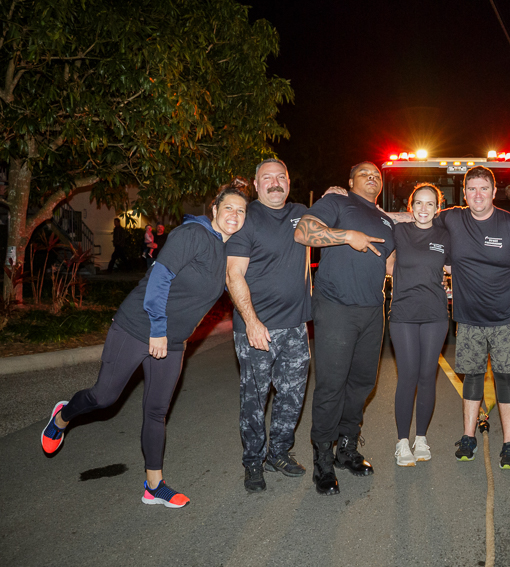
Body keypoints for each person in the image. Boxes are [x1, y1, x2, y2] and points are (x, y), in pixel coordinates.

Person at [41, 180, 248, 508]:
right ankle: (62, 417)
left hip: (174, 341)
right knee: (104, 396)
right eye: (228, 208)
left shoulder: (229, 253)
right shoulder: (192, 235)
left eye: (241, 210)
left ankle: (154, 485)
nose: (234, 215)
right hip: (139, 326)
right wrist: (157, 329)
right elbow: (159, 279)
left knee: (157, 410)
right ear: (214, 210)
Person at [294, 161, 395, 496]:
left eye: (377, 174)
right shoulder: (337, 203)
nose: (372, 176)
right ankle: (323, 457)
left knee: (362, 383)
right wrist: (346, 236)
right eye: (364, 173)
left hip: (372, 310)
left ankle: (347, 448)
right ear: (350, 181)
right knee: (331, 385)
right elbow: (303, 231)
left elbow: (389, 263)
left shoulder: (386, 221)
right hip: (336, 307)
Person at [433, 166, 510, 470]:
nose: (477, 195)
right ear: (463, 192)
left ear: (494, 192)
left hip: (508, 319)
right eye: (471, 189)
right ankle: (468, 436)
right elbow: (419, 219)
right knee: (472, 378)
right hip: (468, 319)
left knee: (506, 379)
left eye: (484, 189)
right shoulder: (453, 218)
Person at [226, 161, 312, 493]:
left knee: (291, 396)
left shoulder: (302, 213)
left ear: (289, 181)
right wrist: (251, 321)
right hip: (256, 328)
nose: (274, 183)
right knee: (255, 398)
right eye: (267, 178)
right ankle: (253, 462)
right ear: (256, 184)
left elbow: (334, 223)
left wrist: (337, 194)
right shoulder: (247, 218)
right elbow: (233, 274)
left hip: (294, 327)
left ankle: (279, 453)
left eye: (280, 177)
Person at [384, 183, 452, 467]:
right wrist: (395, 274)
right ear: (410, 206)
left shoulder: (445, 236)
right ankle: (402, 441)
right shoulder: (399, 231)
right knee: (408, 375)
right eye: (419, 203)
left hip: (436, 313)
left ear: (437, 208)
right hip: (403, 313)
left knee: (427, 375)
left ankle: (421, 438)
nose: (424, 209)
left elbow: (454, 267)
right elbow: (385, 260)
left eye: (430, 204)